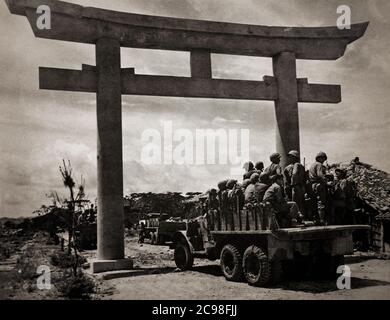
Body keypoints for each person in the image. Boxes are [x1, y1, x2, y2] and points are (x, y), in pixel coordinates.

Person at [309, 152, 330, 225]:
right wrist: (327, 182)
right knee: (321, 202)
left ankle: (316, 220)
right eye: (323, 159)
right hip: (319, 185)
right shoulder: (319, 165)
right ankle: (322, 221)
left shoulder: (312, 165)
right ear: (320, 158)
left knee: (314, 202)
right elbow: (320, 175)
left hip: (312, 185)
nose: (324, 161)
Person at [284, 150, 306, 217]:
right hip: (298, 186)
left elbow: (294, 174)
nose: (289, 158)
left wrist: (292, 184)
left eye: (291, 157)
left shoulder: (297, 165)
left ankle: (297, 218)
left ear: (295, 157)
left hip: (296, 186)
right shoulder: (291, 167)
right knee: (298, 203)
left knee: (296, 203)